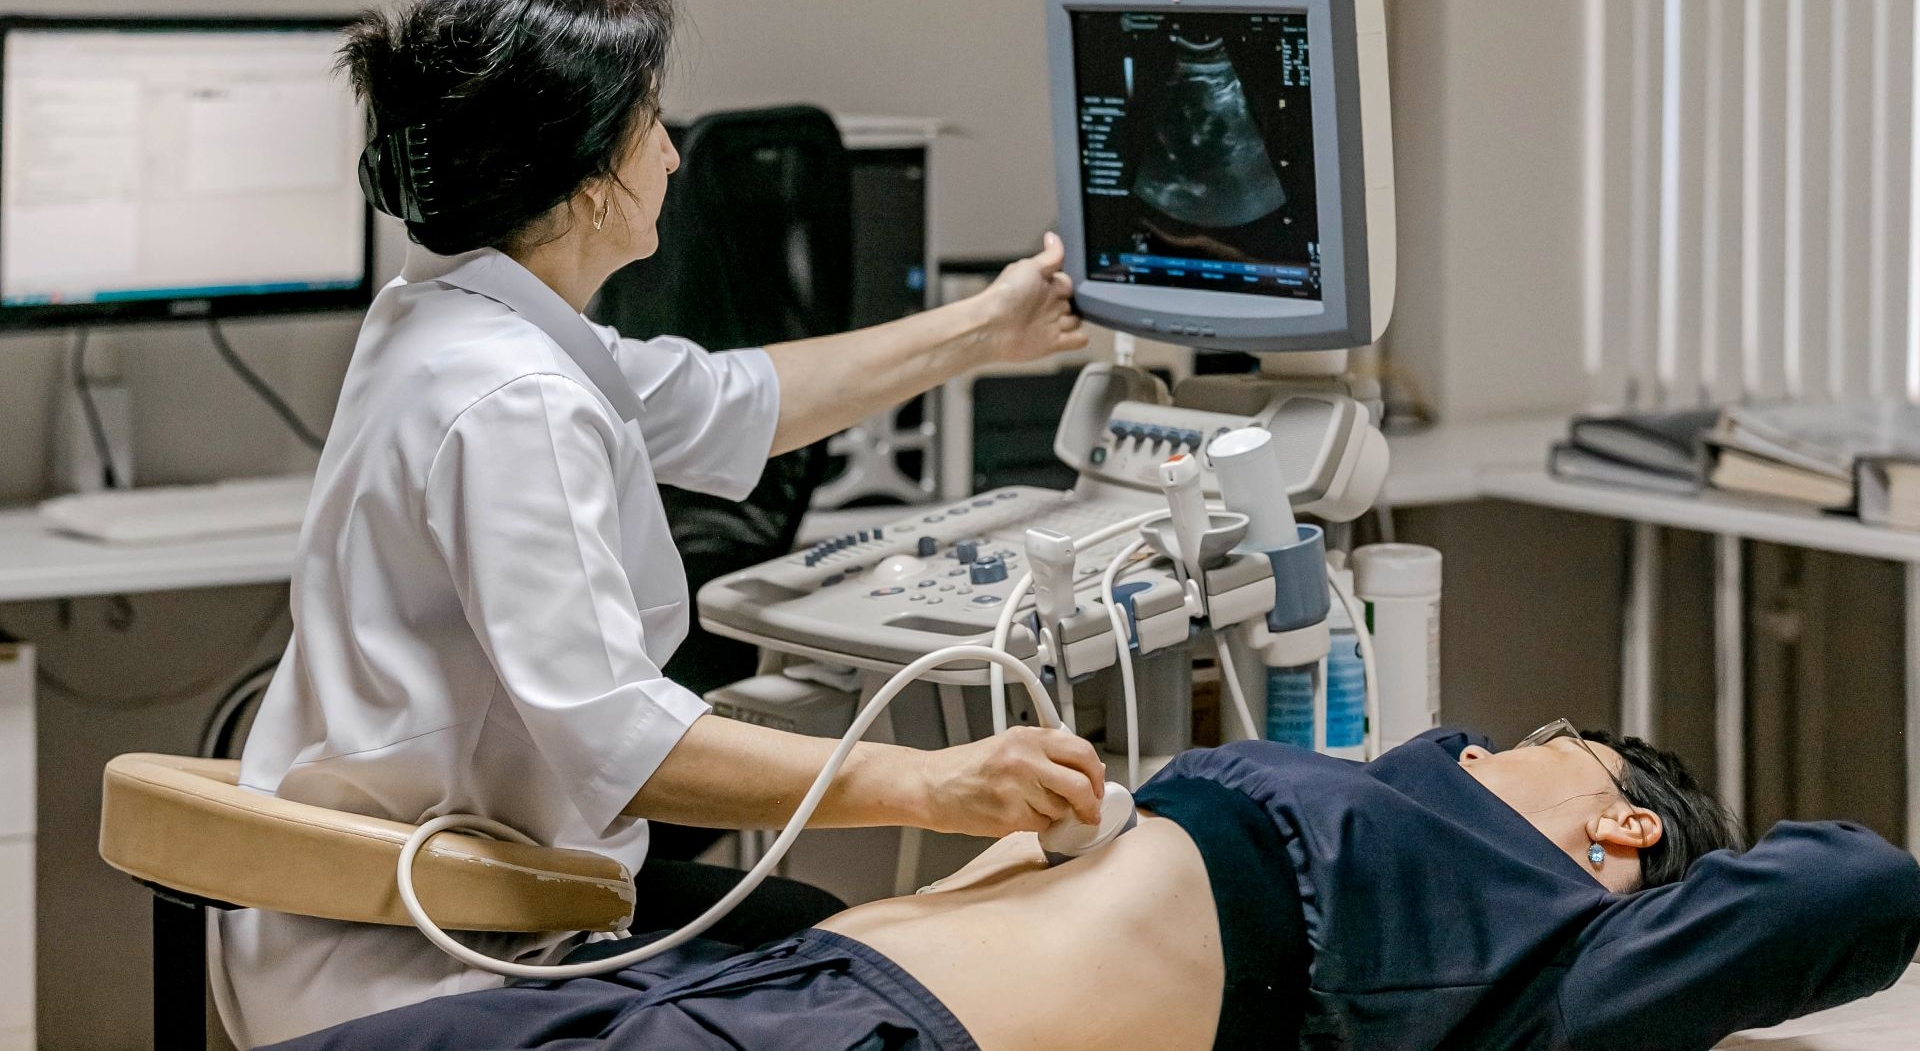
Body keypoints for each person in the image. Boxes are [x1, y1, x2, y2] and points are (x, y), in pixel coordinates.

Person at [215, 0, 1105, 1047]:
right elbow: (623, 744)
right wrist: (936, 782)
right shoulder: (516, 398)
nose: (675, 155)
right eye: (650, 123)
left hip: (422, 889)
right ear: (591, 179)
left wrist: (987, 329)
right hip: (429, 953)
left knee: (812, 924)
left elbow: (736, 402)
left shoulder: (451, 317)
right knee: (886, 993)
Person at [270, 722, 1920, 1051]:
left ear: (1620, 829)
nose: (1485, 738)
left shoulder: (1551, 958)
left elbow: (1862, 883)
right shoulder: (1374, 815)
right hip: (747, 993)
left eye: (1545, 742)